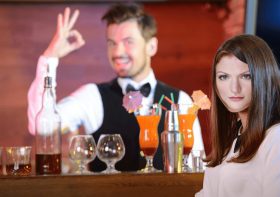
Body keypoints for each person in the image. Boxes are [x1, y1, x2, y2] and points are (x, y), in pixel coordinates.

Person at [27, 3, 204, 172]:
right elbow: (40, 127)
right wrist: (49, 59)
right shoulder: (93, 97)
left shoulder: (180, 100)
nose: (118, 52)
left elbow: (199, 169)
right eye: (112, 43)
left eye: (128, 41)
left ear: (151, 46)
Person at [196, 34, 280, 197]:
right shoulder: (230, 139)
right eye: (224, 77)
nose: (234, 88)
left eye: (246, 76)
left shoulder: (279, 136)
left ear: (264, 78)